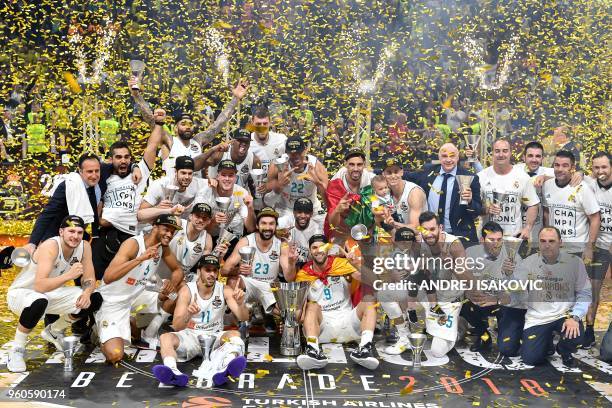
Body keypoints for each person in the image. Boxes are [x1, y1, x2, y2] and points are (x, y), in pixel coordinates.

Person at [6, 215, 103, 372]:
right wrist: (69, 276)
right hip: (22, 294)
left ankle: (54, 330)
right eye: (71, 231)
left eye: (79, 232)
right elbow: (39, 285)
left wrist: (86, 292)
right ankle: (17, 349)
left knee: (95, 298)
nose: (75, 236)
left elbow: (90, 278)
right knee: (39, 300)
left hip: (50, 293)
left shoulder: (84, 246)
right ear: (61, 232)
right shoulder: (50, 246)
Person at [95, 215, 185, 363]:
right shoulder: (133, 244)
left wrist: (170, 284)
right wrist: (140, 259)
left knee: (179, 291)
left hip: (137, 295)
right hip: (113, 300)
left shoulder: (163, 247)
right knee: (115, 355)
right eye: (166, 229)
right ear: (155, 227)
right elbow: (108, 277)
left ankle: (149, 330)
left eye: (173, 231)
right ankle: (99, 329)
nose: (169, 234)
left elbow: (178, 270)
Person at [152, 255, 249, 387]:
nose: (212, 274)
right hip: (191, 336)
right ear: (199, 271)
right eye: (207, 270)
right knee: (165, 338)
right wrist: (189, 313)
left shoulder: (224, 289)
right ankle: (173, 372)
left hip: (214, 336)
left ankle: (225, 368)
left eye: (215, 270)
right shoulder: (187, 290)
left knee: (235, 335)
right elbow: (177, 325)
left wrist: (241, 303)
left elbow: (243, 317)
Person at [129, 78, 249, 178]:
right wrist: (136, 95)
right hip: (174, 192)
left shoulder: (198, 141)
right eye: (183, 123)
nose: (187, 127)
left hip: (195, 193)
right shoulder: (170, 140)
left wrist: (235, 99)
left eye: (190, 124)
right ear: (175, 128)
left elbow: (219, 123)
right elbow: (151, 120)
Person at [293, 234, 379, 370]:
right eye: (314, 247)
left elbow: (373, 281)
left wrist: (356, 264)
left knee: (369, 300)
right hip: (322, 328)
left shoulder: (341, 264)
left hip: (348, 322)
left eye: (322, 246)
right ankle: (313, 350)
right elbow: (301, 307)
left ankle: (364, 349)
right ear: (310, 251)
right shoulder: (304, 274)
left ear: (328, 248)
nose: (318, 250)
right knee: (312, 306)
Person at [94, 109, 162, 280]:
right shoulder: (103, 177)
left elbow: (152, 146)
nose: (123, 160)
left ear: (131, 159)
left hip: (131, 236)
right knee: (96, 277)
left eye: (126, 157)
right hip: (106, 234)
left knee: (127, 280)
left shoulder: (138, 175)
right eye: (118, 157)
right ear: (111, 160)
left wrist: (159, 124)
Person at [516, 227, 591, 368]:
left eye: (552, 241)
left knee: (577, 335)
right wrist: (509, 274)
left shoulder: (575, 262)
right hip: (537, 317)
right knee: (530, 359)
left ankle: (564, 350)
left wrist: (575, 317)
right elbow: (513, 287)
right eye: (543, 241)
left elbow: (585, 293)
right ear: (538, 243)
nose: (547, 245)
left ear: (560, 242)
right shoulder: (528, 263)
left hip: (565, 315)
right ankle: (546, 342)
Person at [221, 208, 297, 332]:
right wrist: (238, 270)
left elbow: (289, 278)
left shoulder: (282, 244)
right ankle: (240, 324)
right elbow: (224, 271)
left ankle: (265, 312)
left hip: (270, 284)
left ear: (276, 226)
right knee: (232, 282)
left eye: (271, 224)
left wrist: (292, 263)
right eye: (264, 223)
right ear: (257, 225)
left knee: (286, 311)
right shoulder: (246, 241)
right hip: (248, 282)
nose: (267, 227)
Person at [462, 222, 525, 357]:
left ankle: (516, 332)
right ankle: (483, 333)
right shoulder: (470, 253)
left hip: (504, 304)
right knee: (463, 305)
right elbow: (462, 280)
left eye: (499, 240)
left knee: (508, 349)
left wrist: (509, 275)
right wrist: (469, 292)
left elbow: (520, 295)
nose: (496, 244)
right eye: (491, 240)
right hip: (480, 301)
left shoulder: (513, 257)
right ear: (482, 240)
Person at [414, 211, 470, 358]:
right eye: (425, 230)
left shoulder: (454, 245)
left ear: (440, 227)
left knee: (437, 351)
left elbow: (468, 280)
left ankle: (460, 327)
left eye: (432, 229)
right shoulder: (420, 244)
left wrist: (452, 265)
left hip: (449, 301)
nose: (429, 234)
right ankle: (404, 332)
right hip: (430, 297)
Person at [408, 143, 482, 243]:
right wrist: (382, 172)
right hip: (430, 236)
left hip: (461, 237)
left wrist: (469, 202)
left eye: (452, 156)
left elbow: (478, 211)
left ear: (457, 157)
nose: (448, 160)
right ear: (439, 157)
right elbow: (404, 175)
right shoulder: (427, 172)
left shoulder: (470, 177)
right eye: (444, 156)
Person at [542, 150, 601, 258]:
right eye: (557, 165)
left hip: (577, 250)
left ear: (572, 167)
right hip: (554, 249)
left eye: (565, 166)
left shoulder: (583, 188)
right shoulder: (547, 186)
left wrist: (589, 247)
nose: (560, 169)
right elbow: (546, 212)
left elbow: (595, 218)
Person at [478, 139, 540, 239]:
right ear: (492, 153)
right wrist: (487, 209)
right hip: (487, 238)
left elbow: (533, 204)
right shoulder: (481, 176)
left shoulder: (523, 177)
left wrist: (527, 228)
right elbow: (475, 206)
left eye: (505, 151)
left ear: (510, 153)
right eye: (497, 151)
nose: (501, 154)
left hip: (513, 238)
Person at [581, 152, 612, 349]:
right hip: (598, 245)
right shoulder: (589, 184)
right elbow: (559, 174)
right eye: (596, 168)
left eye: (604, 167)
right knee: (592, 290)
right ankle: (589, 329)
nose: (600, 171)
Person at [266, 136, 329, 229]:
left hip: (311, 210)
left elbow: (328, 202)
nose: (295, 156)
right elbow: (267, 201)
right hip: (286, 209)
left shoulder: (315, 165)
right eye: (292, 153)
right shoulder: (277, 165)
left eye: (299, 152)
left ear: (305, 151)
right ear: (286, 153)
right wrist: (279, 185)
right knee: (273, 228)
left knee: (328, 228)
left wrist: (317, 182)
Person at [196, 159, 256, 239]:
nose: (227, 179)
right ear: (218, 176)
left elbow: (250, 228)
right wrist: (213, 222)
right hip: (206, 236)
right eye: (223, 175)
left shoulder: (241, 193)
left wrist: (250, 208)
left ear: (235, 177)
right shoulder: (205, 193)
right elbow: (198, 229)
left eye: (231, 175)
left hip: (228, 237)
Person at [138, 156, 209, 223]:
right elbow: (140, 214)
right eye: (183, 173)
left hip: (179, 227)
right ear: (175, 171)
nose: (187, 177)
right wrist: (158, 208)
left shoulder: (197, 183)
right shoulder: (160, 185)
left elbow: (216, 180)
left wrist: (213, 181)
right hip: (154, 225)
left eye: (190, 173)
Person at [157, 203, 214, 282]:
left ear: (209, 221)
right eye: (197, 216)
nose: (201, 220)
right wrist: (171, 212)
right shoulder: (178, 224)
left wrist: (220, 255)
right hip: (157, 274)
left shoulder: (207, 239)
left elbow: (203, 267)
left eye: (205, 218)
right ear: (190, 216)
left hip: (179, 280)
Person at [326, 148, 375, 238]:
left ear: (364, 165)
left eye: (359, 164)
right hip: (341, 229)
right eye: (351, 164)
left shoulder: (373, 182)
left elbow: (378, 209)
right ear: (345, 164)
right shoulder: (335, 184)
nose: (355, 169)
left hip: (367, 231)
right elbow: (331, 223)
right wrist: (337, 210)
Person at [382, 159, 427, 231]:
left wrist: (393, 224)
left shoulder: (414, 192)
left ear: (402, 172)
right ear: (383, 175)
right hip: (398, 236)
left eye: (396, 172)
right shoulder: (384, 191)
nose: (393, 176)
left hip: (419, 237)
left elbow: (416, 227)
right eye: (389, 173)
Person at [283, 198, 322, 267]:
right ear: (294, 212)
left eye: (307, 212)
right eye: (299, 212)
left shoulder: (317, 231)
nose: (303, 216)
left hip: (306, 268)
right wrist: (279, 234)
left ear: (311, 214)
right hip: (287, 265)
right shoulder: (284, 222)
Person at [248, 105, 287, 174]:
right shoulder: (246, 142)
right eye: (258, 124)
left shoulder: (281, 140)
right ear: (252, 123)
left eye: (265, 123)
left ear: (270, 123)